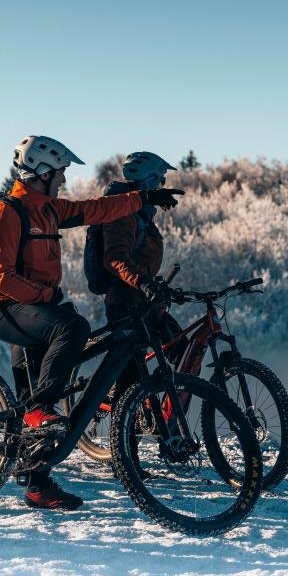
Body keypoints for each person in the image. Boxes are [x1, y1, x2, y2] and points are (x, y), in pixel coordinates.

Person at [0, 136, 184, 510]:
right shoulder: (6, 212)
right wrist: (47, 298)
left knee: (53, 372)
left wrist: (144, 199)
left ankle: (37, 484)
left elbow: (95, 210)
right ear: (42, 172)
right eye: (60, 172)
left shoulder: (48, 209)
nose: (64, 179)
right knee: (72, 329)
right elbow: (1, 279)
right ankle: (39, 412)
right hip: (6, 309)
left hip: (36, 308)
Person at [101, 152, 188, 406]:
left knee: (182, 350)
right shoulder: (121, 211)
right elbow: (116, 257)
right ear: (146, 180)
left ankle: (159, 413)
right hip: (125, 302)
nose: (161, 185)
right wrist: (143, 282)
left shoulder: (140, 212)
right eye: (159, 180)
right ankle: (125, 438)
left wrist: (153, 285)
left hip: (145, 302)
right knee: (130, 379)